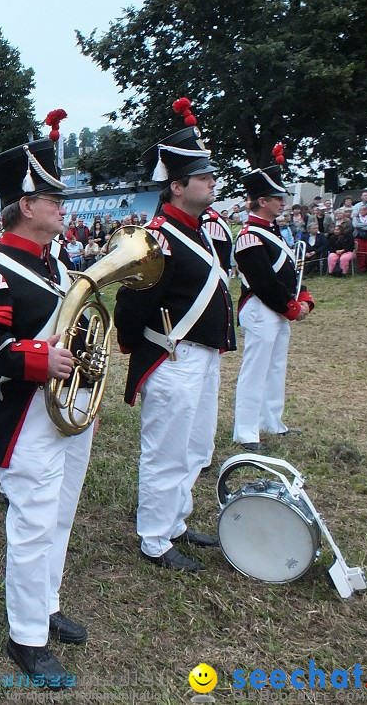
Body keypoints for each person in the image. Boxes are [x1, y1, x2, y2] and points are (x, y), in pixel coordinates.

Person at [0, 113, 90, 690]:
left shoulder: (56, 265)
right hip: (25, 417)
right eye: (52, 197)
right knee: (33, 523)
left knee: (59, 515)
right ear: (25, 205)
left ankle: (47, 601)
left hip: (70, 408)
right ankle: (26, 635)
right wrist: (37, 359)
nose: (62, 206)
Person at [114, 100, 235, 575]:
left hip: (201, 356)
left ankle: (175, 521)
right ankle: (154, 538)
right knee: (166, 449)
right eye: (202, 177)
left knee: (194, 446)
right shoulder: (156, 239)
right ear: (178, 186)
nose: (211, 183)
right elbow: (131, 304)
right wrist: (138, 345)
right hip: (173, 354)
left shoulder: (201, 231)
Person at [232, 155, 314, 452]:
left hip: (276, 308)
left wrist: (302, 296)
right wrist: (290, 306)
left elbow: (288, 270)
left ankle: (271, 421)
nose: (283, 202)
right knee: (255, 369)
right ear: (262, 201)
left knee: (276, 366)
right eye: (277, 198)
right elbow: (262, 281)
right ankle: (245, 430)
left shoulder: (271, 231)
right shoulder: (249, 235)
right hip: (260, 308)